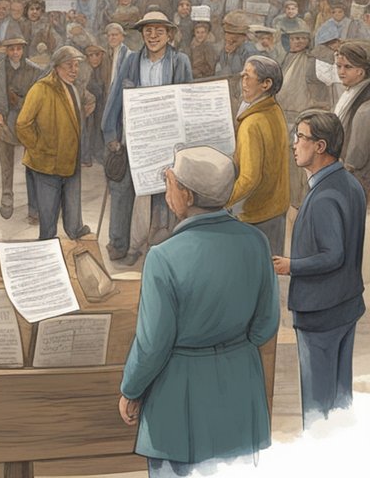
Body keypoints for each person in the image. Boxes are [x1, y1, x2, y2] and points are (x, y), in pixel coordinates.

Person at [119, 146, 279, 478]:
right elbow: (266, 325)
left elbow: (151, 345)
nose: (167, 191)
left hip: (179, 403)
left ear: (187, 195)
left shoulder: (163, 258)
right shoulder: (256, 243)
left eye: (170, 182)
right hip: (240, 395)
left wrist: (130, 390)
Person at [273, 110, 365, 427]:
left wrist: (290, 266)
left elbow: (333, 254)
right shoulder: (350, 184)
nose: (294, 144)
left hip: (320, 312)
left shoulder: (324, 196)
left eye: (301, 137)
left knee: (316, 407)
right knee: (339, 401)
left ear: (321, 146)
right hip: (345, 306)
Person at [102, 10, 193, 266]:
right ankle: (121, 244)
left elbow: (186, 98)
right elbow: (115, 98)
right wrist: (111, 134)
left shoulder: (179, 61)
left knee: (163, 194)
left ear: (169, 35)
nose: (153, 36)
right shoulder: (131, 61)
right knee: (123, 190)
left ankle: (158, 246)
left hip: (166, 139)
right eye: (148, 31)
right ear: (141, 34)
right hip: (134, 137)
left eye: (159, 31)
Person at [17, 46, 92, 241]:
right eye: (69, 65)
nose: (74, 70)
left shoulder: (73, 89)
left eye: (76, 65)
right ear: (56, 67)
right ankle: (47, 241)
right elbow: (22, 124)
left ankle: (75, 229)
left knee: (72, 200)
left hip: (70, 158)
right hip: (47, 162)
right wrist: (39, 147)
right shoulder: (41, 89)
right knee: (48, 210)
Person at [228, 56, 291, 255]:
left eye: (248, 77)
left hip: (256, 215)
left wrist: (223, 201)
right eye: (242, 76)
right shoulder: (274, 110)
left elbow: (248, 179)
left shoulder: (251, 124)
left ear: (266, 84)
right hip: (276, 209)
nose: (243, 82)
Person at [0, 35, 42, 220]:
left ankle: (34, 206)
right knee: (6, 163)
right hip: (5, 121)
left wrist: (19, 101)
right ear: (6, 51)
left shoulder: (34, 71)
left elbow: (38, 97)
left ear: (23, 50)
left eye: (18, 49)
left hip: (27, 121)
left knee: (33, 163)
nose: (15, 53)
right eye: (11, 49)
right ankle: (7, 196)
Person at [333, 39, 370, 200]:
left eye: (348, 67)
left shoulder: (365, 108)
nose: (341, 71)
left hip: (356, 176)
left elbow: (357, 156)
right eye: (338, 66)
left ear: (362, 70)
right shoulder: (350, 92)